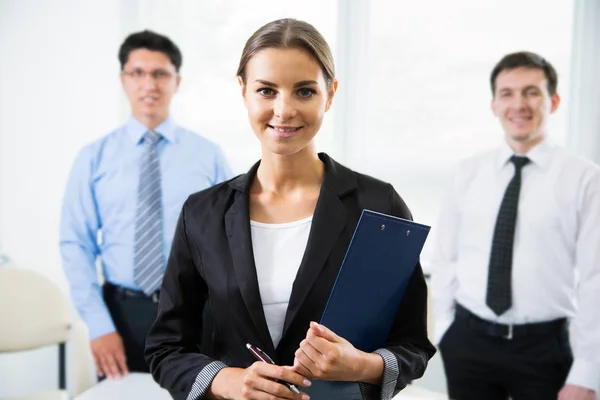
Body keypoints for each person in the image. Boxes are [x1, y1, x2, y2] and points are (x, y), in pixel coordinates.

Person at [145, 18, 435, 400]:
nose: (283, 110)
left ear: (330, 95)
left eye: (304, 91)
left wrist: (362, 365)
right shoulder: (202, 214)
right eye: (266, 91)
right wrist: (227, 381)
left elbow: (412, 344)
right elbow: (166, 348)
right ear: (244, 92)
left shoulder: (379, 206)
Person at [60, 30, 231, 380]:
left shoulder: (208, 155)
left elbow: (230, 239)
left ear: (177, 81)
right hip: (121, 315)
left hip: (194, 311)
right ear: (123, 80)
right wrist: (98, 325)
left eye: (160, 73)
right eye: (137, 72)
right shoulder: (94, 158)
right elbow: (76, 244)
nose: (148, 84)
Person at [431, 51, 600, 400]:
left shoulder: (585, 179)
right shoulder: (467, 173)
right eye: (507, 93)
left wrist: (587, 371)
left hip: (544, 349)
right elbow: (445, 256)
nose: (518, 104)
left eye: (531, 92)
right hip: (468, 342)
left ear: (553, 101)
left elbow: (596, 278)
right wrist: (447, 329)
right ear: (494, 104)